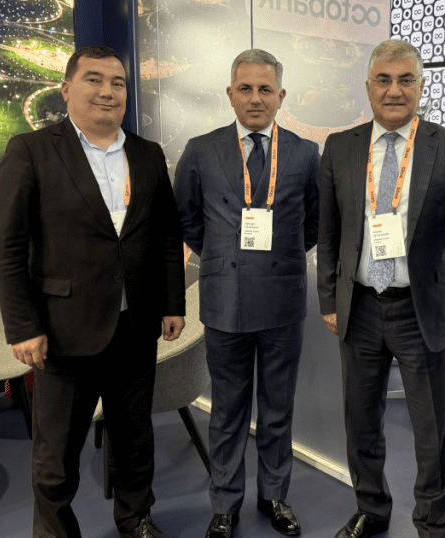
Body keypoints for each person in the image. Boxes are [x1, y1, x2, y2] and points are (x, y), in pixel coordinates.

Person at [0, 45, 185, 538]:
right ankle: (54, 531)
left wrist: (172, 304)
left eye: (117, 83)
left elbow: (165, 235)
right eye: (94, 79)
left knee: (134, 437)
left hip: (135, 325)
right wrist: (23, 326)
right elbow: (6, 247)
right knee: (57, 452)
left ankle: (136, 519)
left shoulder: (147, 154)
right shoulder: (32, 150)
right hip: (63, 331)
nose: (107, 92)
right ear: (66, 89)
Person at [317, 39, 445, 538]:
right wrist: (329, 300)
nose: (394, 90)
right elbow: (328, 231)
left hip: (421, 309)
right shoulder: (340, 146)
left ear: (421, 86)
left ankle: (431, 522)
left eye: (406, 79)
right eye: (383, 80)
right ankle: (371, 508)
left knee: (434, 430)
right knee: (361, 420)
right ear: (368, 87)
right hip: (359, 307)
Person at [174, 48, 319, 538]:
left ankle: (274, 496)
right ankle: (225, 503)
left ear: (281, 96)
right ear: (230, 94)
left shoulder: (305, 153)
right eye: (246, 88)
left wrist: (281, 254)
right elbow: (187, 219)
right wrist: (220, 255)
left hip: (283, 299)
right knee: (228, 411)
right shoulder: (200, 149)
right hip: (225, 300)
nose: (255, 98)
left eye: (265, 89)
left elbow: (315, 222)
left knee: (277, 409)